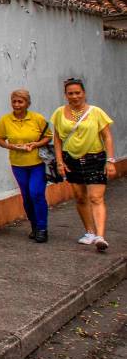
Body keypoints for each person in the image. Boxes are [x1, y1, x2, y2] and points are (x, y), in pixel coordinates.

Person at [51, 78, 115, 253]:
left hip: (95, 159)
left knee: (96, 197)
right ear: (66, 95)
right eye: (70, 93)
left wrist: (110, 160)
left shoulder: (96, 112)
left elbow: (107, 136)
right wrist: (59, 162)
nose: (74, 96)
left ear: (84, 93)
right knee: (80, 197)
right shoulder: (59, 113)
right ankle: (90, 232)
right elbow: (57, 139)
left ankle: (100, 237)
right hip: (71, 160)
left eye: (78, 93)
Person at [0, 89, 52, 242]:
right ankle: (34, 226)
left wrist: (35, 144)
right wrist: (10, 146)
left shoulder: (37, 118)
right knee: (26, 197)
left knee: (36, 194)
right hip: (18, 164)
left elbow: (48, 136)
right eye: (14, 101)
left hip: (37, 163)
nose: (17, 105)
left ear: (27, 103)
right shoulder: (5, 120)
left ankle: (42, 228)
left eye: (20, 102)